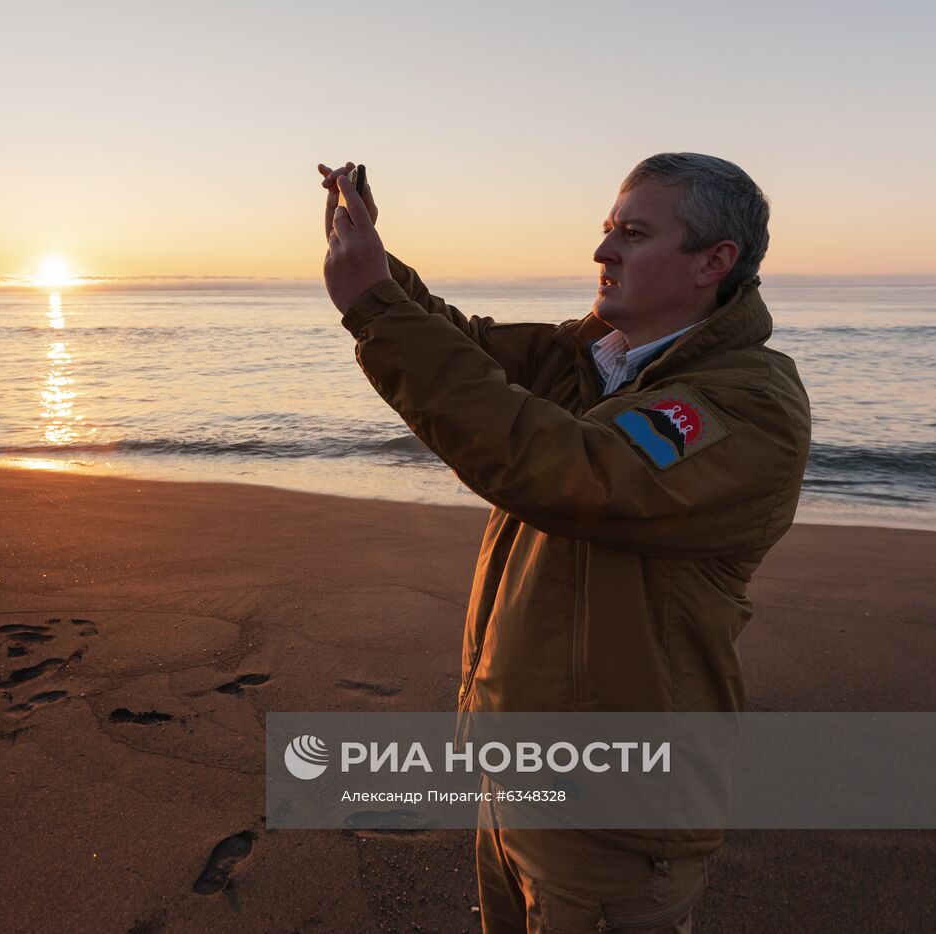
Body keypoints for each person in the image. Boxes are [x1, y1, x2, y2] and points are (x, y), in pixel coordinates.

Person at [316, 154, 811, 932]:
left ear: (714, 263)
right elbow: (469, 349)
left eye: (635, 233)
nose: (603, 251)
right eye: (609, 228)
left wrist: (376, 306)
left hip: (614, 821)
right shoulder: (602, 361)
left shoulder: (746, 403)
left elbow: (565, 469)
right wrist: (378, 266)